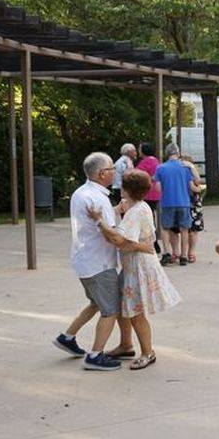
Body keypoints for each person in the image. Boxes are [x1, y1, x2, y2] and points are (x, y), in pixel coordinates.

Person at [52, 152, 153, 371]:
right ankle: (95, 355)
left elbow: (104, 223)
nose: (114, 174)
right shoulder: (98, 199)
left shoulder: (83, 192)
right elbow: (113, 236)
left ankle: (67, 337)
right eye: (111, 170)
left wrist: (112, 212)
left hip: (86, 260)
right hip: (100, 264)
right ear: (101, 174)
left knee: (97, 303)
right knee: (111, 309)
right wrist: (140, 245)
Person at [87, 169, 181, 368]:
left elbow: (118, 239)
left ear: (128, 190)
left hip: (138, 267)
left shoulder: (136, 212)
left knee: (136, 313)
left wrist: (98, 220)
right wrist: (117, 212)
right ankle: (126, 344)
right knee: (124, 308)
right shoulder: (137, 207)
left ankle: (148, 352)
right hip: (132, 266)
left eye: (123, 185)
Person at [155, 143, 194, 266]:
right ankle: (183, 256)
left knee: (165, 228)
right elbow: (191, 185)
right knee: (184, 229)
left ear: (167, 153)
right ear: (178, 153)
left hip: (167, 202)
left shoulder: (161, 168)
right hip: (184, 202)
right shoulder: (185, 167)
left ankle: (167, 252)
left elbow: (158, 188)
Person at [135, 142, 161, 252]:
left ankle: (153, 242)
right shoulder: (155, 161)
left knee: (147, 218)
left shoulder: (146, 162)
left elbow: (136, 174)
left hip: (147, 193)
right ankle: (154, 241)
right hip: (155, 193)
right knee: (151, 217)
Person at [180, 154, 203, 262]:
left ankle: (191, 252)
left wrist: (192, 168)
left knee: (193, 231)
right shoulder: (179, 173)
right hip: (182, 202)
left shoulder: (193, 172)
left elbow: (198, 185)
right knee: (183, 230)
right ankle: (183, 252)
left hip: (193, 204)